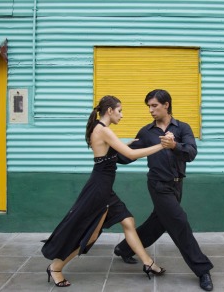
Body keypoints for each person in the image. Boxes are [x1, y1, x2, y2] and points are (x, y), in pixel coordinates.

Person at [41, 95, 169, 287]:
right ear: (109, 111)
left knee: (128, 221)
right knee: (91, 234)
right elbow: (130, 155)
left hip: (103, 187)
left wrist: (126, 143)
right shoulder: (104, 130)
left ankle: (148, 263)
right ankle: (56, 267)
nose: (122, 115)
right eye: (120, 110)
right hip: (100, 189)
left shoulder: (99, 129)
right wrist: (161, 145)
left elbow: (108, 154)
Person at [113, 89, 214, 291]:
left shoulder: (182, 128)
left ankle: (124, 248)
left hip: (177, 184)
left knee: (158, 223)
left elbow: (191, 153)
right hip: (158, 185)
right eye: (149, 106)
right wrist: (112, 148)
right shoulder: (146, 132)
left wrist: (174, 145)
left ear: (166, 104)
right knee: (179, 222)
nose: (150, 110)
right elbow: (129, 155)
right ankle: (202, 269)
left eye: (154, 105)